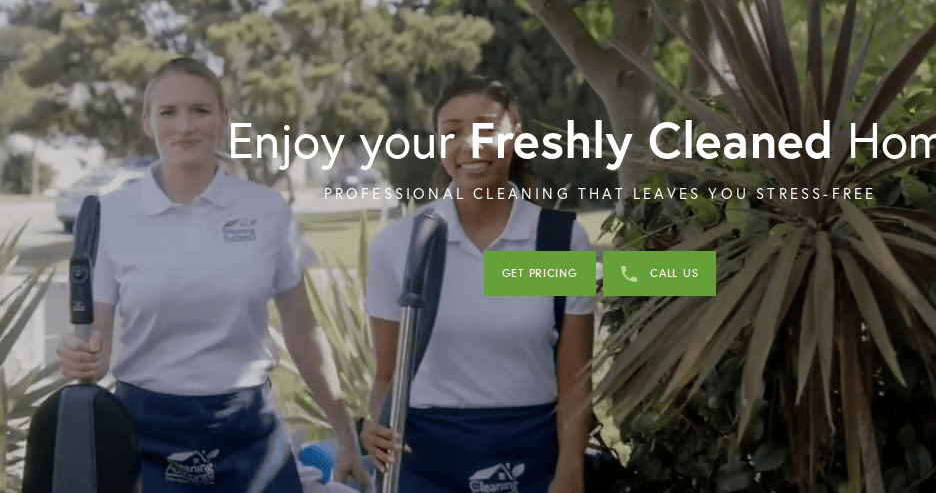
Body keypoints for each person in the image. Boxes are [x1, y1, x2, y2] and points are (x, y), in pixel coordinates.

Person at [57, 57, 369, 493]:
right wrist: (85, 356)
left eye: (201, 110)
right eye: (169, 112)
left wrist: (344, 432)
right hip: (147, 434)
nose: (185, 126)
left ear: (225, 117)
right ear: (147, 123)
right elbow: (101, 338)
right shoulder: (113, 214)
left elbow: (303, 330)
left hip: (250, 433)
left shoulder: (266, 210)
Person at [360, 78, 595, 493]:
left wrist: (571, 473)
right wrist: (373, 426)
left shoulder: (560, 241)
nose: (470, 144)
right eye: (452, 132)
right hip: (424, 467)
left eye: (486, 127)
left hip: (531, 462)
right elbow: (386, 375)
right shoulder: (397, 246)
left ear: (516, 134)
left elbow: (575, 380)